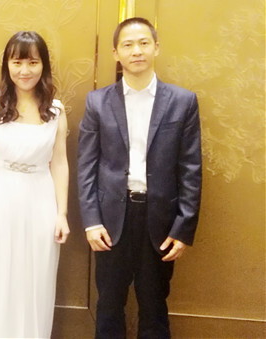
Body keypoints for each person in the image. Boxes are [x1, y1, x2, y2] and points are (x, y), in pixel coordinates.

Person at [77, 17, 202, 338]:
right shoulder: (97, 102)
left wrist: (183, 227)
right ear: (115, 53)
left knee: (154, 305)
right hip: (110, 221)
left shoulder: (183, 102)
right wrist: (91, 221)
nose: (137, 51)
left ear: (156, 48)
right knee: (108, 304)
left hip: (159, 219)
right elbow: (87, 166)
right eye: (128, 45)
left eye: (144, 43)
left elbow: (190, 168)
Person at [0, 31, 70, 338]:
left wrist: (62, 213)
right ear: (7, 65)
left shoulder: (56, 110)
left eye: (33, 62)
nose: (25, 70)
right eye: (17, 62)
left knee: (36, 278)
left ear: (43, 65)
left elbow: (59, 163)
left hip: (40, 199)